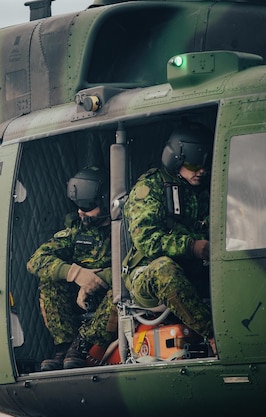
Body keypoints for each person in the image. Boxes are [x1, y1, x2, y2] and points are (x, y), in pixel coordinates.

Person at [123, 123, 216, 354]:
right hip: (147, 275)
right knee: (164, 269)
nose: (201, 171)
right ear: (175, 160)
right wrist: (192, 246)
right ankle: (214, 334)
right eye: (194, 165)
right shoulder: (149, 188)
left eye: (204, 165)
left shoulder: (201, 191)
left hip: (192, 271)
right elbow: (146, 240)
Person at [27, 166, 116, 371]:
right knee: (49, 281)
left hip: (112, 297)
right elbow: (36, 261)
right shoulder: (76, 232)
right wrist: (76, 274)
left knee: (121, 290)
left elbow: (135, 266)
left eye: (86, 207)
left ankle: (83, 344)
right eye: (77, 206)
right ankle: (66, 346)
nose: (80, 212)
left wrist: (95, 279)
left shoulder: (124, 230)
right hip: (81, 300)